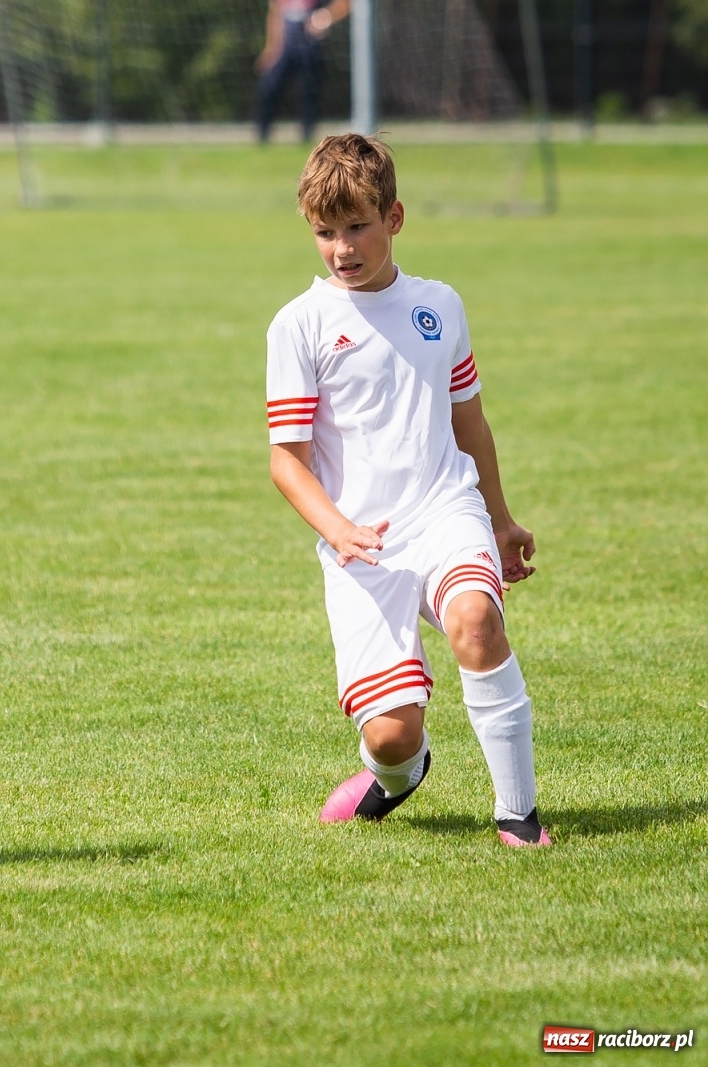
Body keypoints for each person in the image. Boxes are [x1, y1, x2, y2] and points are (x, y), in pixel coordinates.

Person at [265, 134, 551, 847]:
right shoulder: (298, 325)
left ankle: (518, 814)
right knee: (393, 732)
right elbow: (287, 462)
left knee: (477, 621)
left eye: (356, 225)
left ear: (394, 217)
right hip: (360, 545)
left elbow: (471, 424)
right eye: (325, 233)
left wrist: (502, 519)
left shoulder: (440, 306)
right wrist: (338, 529)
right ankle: (399, 772)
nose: (342, 247)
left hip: (444, 510)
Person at [256, 0, 349, 144]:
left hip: (309, 42)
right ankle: (263, 134)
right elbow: (275, 14)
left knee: (309, 89)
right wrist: (270, 47)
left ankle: (307, 134)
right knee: (270, 86)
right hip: (285, 43)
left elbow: (344, 4)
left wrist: (325, 16)